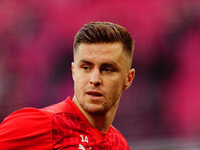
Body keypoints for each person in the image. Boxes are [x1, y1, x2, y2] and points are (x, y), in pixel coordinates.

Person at [0, 22, 135, 149]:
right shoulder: (43, 124)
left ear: (128, 79)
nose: (95, 79)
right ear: (74, 72)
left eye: (107, 69)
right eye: (86, 67)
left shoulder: (119, 144)